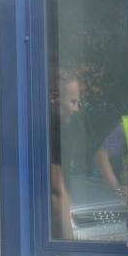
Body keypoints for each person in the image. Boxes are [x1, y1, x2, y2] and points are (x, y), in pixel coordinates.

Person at [48, 71, 83, 239]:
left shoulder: (64, 129)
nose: (76, 109)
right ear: (55, 98)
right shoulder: (51, 132)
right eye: (73, 102)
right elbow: (58, 192)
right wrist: (70, 244)